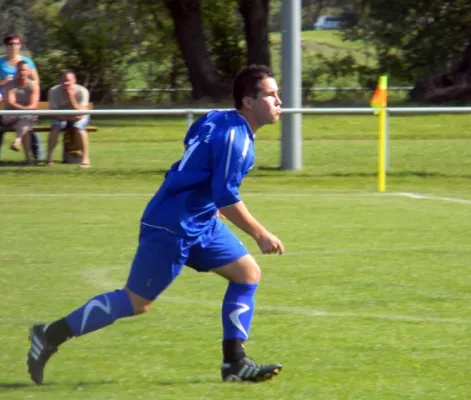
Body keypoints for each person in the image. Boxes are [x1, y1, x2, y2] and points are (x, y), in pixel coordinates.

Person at [27, 65, 284, 384]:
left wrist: (199, 185)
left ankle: (234, 362)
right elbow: (225, 195)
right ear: (248, 101)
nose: (279, 101)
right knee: (136, 302)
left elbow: (191, 139)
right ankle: (50, 334)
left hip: (199, 220)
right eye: (271, 94)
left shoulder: (218, 117)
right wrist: (261, 234)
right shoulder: (237, 139)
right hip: (172, 224)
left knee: (247, 274)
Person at [0, 33, 43, 160]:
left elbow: (36, 81)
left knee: (29, 123)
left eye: (17, 43)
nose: (14, 46)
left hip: (24, 100)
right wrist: (4, 82)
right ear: (7, 46)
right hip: (4, 102)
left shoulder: (27, 62)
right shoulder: (0, 62)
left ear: (20, 45)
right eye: (11, 44)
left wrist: (24, 83)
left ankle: (37, 154)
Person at [45, 70, 91, 168]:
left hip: (78, 114)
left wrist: (71, 98)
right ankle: (49, 158)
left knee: (78, 127)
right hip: (60, 115)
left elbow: (82, 113)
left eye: (68, 80)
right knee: (56, 127)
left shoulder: (82, 91)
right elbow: (53, 112)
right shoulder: (53, 91)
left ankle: (85, 159)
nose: (66, 83)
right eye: (63, 81)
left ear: (74, 80)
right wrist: (65, 118)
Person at [1, 61, 39, 164]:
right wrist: (24, 109)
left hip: (27, 117)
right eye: (20, 69)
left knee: (24, 121)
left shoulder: (33, 86)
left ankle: (25, 152)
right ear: (17, 71)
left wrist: (24, 111)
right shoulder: (10, 85)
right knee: (25, 121)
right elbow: (11, 102)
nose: (22, 72)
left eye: (24, 70)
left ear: (28, 72)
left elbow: (33, 105)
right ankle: (28, 156)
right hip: (10, 116)